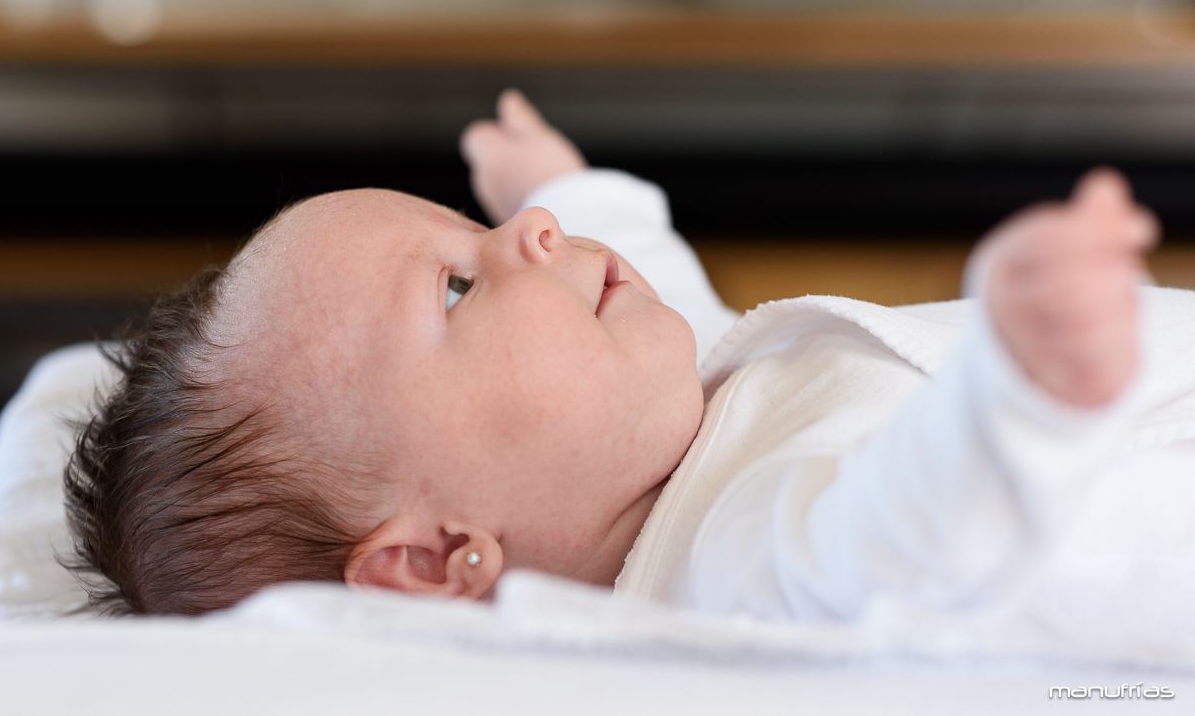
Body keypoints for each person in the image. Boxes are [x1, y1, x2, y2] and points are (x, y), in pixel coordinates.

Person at [65, 91, 1184, 630]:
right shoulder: (732, 570)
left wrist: (568, 187)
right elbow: (911, 535)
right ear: (439, 555)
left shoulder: (661, 422)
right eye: (458, 283)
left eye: (472, 224)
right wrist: (1029, 393)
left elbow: (661, 284)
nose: (531, 240)